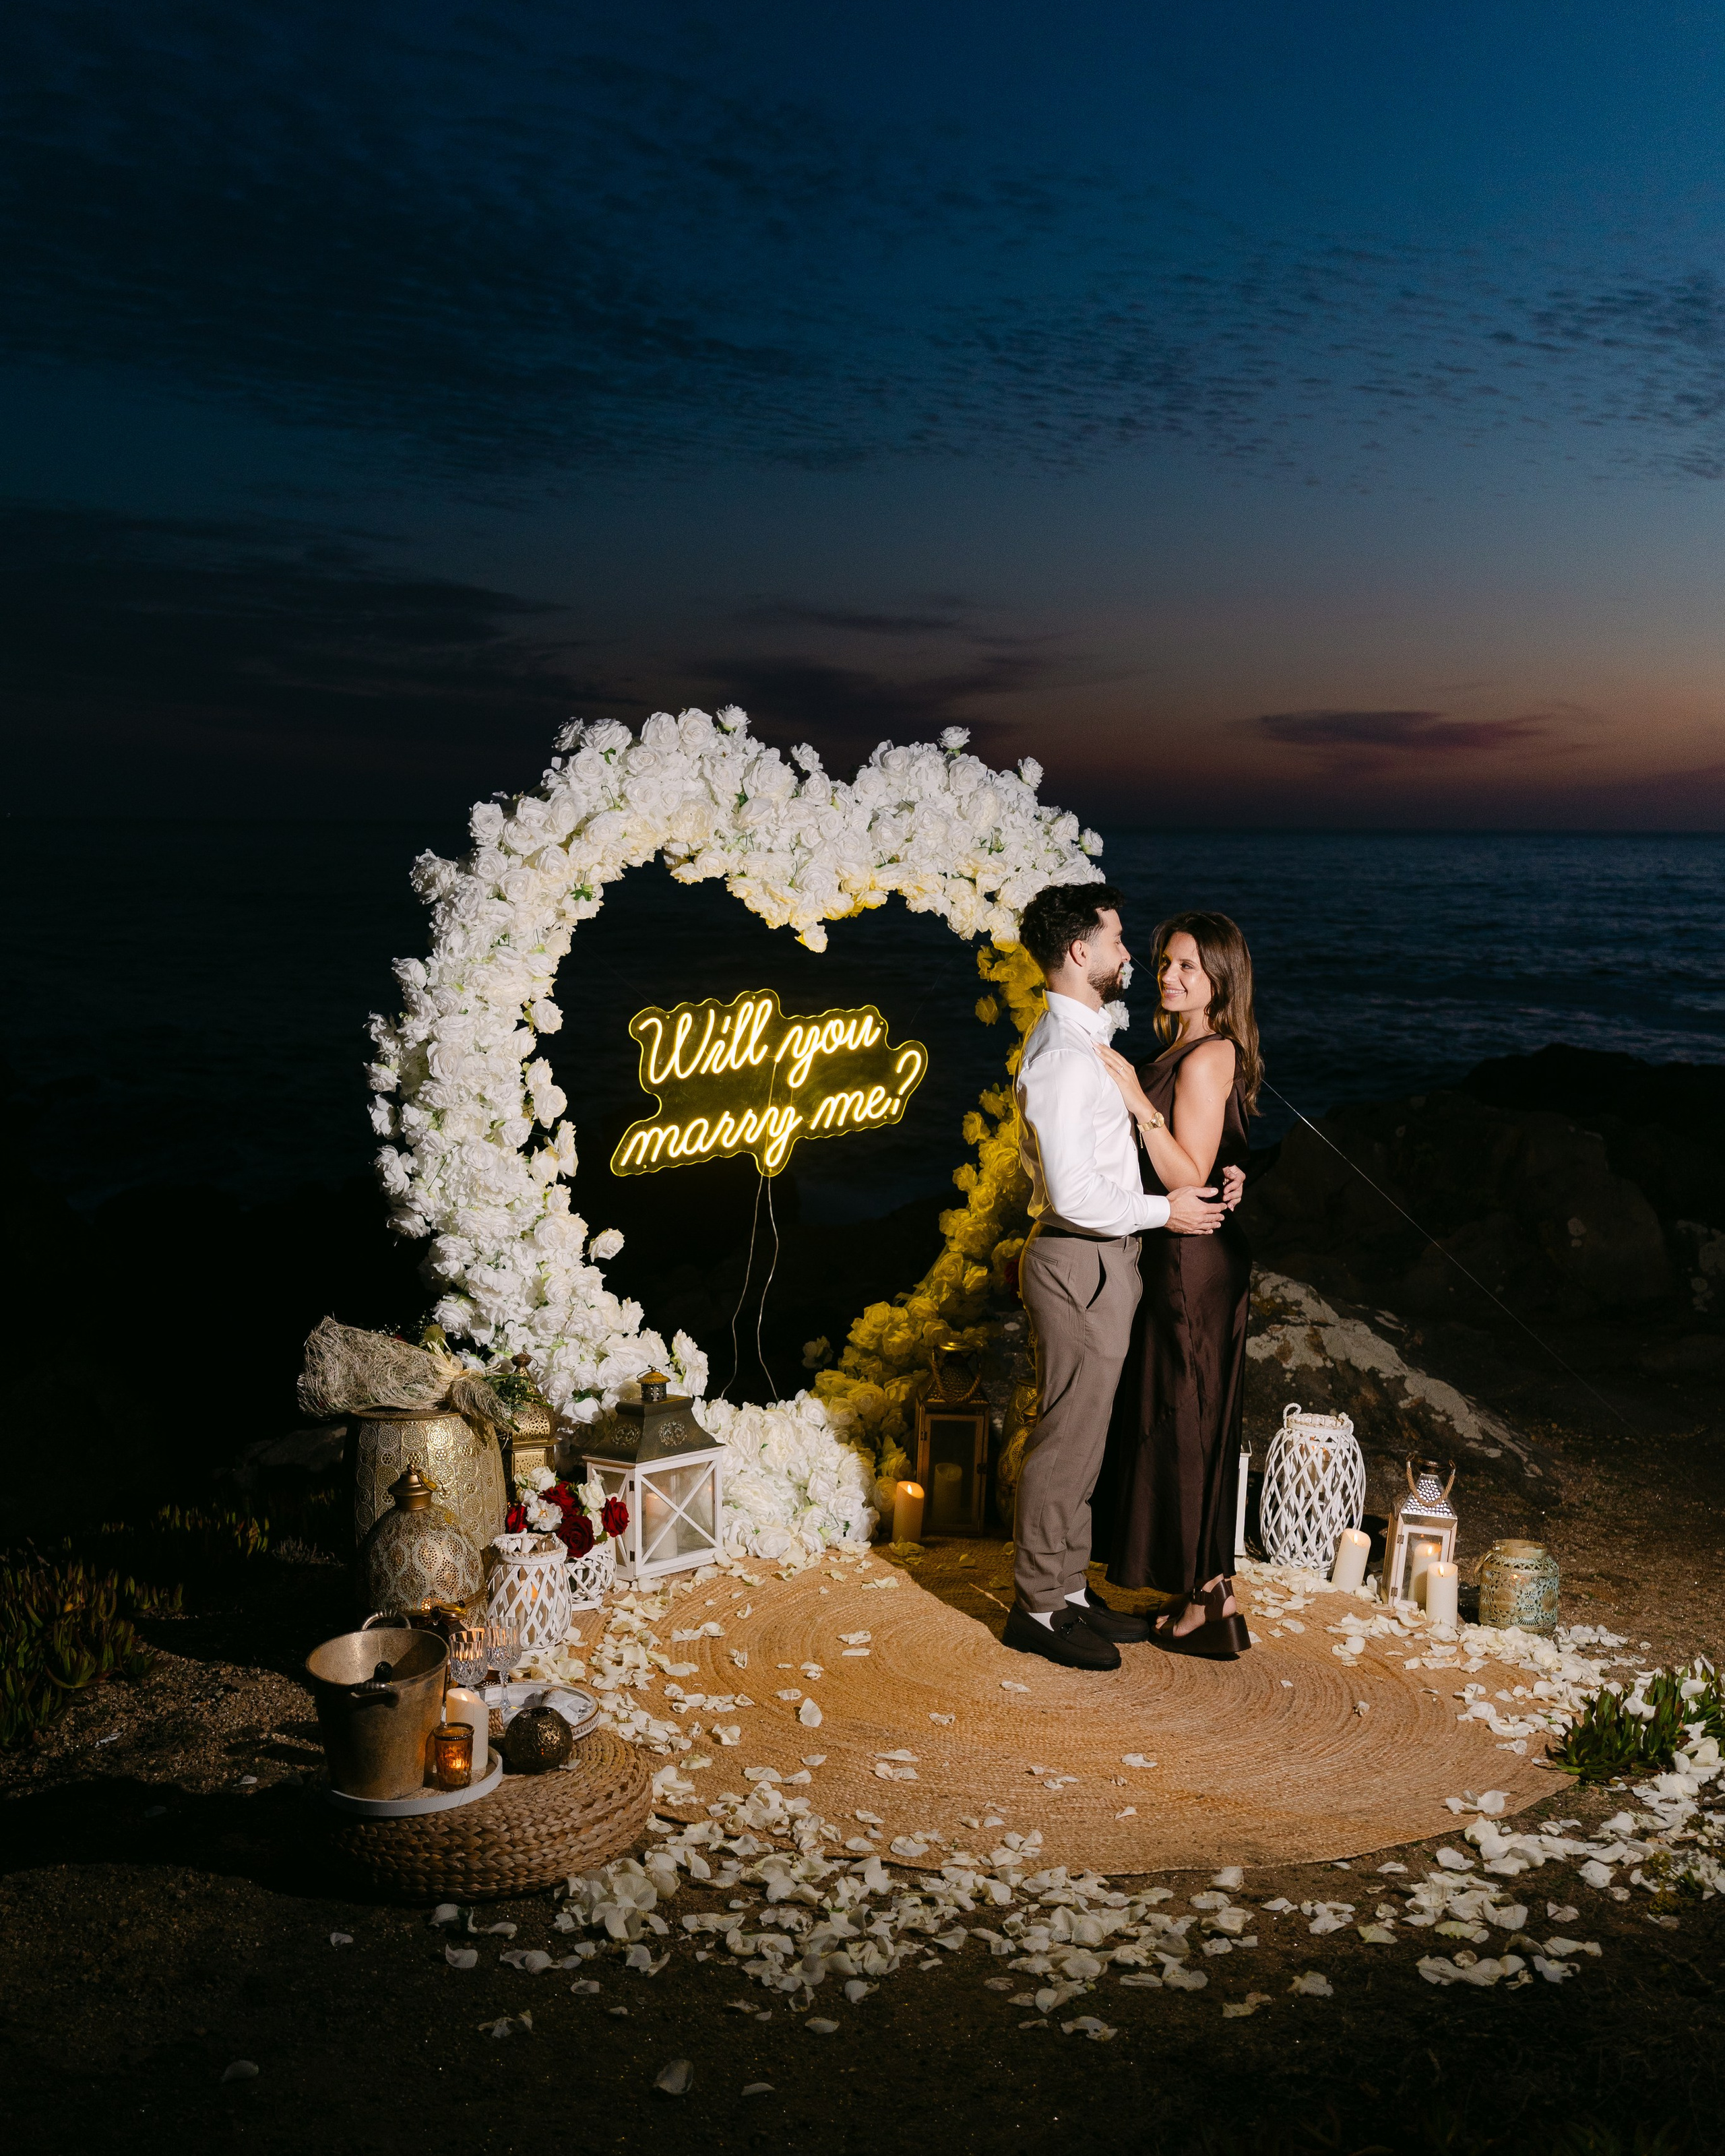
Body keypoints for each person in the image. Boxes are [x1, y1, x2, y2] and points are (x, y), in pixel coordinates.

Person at [1003, 884, 1243, 1672]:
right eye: (1116, 942)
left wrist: (1215, 1176)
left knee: (1086, 1436)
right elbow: (1076, 1194)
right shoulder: (1068, 1057)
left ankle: (1068, 1590)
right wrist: (1164, 1211)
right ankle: (1038, 1606)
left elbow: (1171, 1137)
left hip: (1102, 1255)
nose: (1131, 961)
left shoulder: (1085, 1039)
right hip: (1080, 1253)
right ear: (1080, 952)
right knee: (1066, 1439)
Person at [1097, 911, 1261, 1659]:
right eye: (1166, 961)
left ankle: (1202, 1601)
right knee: (1189, 1414)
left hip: (1189, 1262)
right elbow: (1217, 1154)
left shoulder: (1201, 1056)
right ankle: (1211, 1592)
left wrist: (1135, 1097)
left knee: (1185, 1418)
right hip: (1196, 1255)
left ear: (1220, 979)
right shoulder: (1200, 1047)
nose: (1168, 975)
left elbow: (1186, 1176)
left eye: (1188, 966)